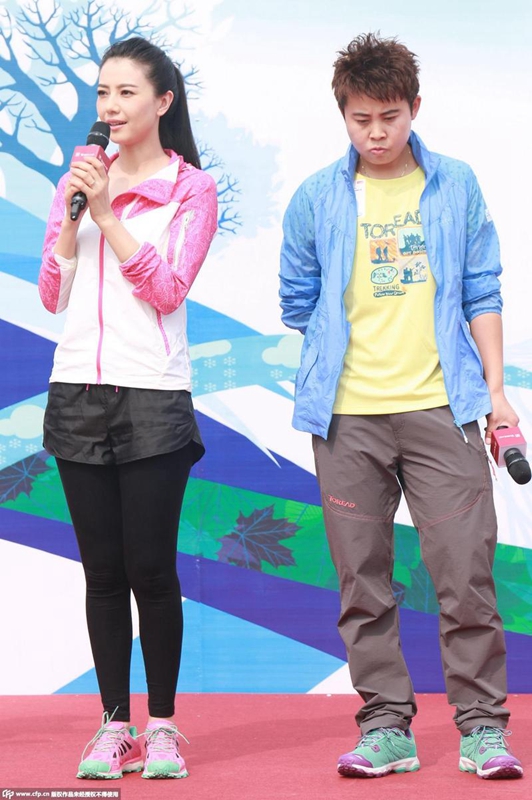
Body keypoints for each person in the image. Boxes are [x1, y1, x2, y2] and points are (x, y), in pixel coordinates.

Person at [279, 32, 523, 781]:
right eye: (361, 119)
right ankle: (386, 725)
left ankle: (482, 729)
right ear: (343, 116)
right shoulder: (316, 197)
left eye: (389, 116)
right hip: (346, 418)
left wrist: (497, 395)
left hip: (444, 408)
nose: (376, 133)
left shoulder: (456, 184)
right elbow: (297, 298)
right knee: (362, 582)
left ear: (415, 108)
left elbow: (482, 289)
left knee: (466, 576)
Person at [39, 36, 217, 780]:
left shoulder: (190, 189)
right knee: (103, 573)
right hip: (77, 392)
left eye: (126, 92)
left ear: (163, 102)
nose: (110, 106)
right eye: (102, 93)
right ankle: (115, 726)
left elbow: (168, 290)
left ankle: (164, 726)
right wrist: (74, 218)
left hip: (153, 396)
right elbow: (51, 295)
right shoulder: (79, 178)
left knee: (150, 568)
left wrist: (108, 215)